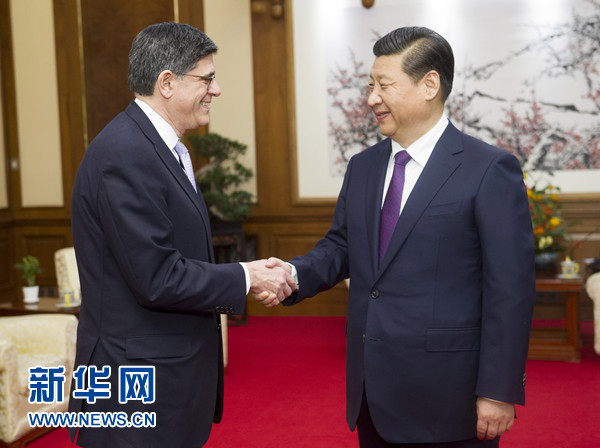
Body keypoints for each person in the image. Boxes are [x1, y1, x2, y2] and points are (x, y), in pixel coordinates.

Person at [265, 27, 536, 447]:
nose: (372, 98)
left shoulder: (488, 169)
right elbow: (341, 247)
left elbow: (510, 289)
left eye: (384, 85)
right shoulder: (363, 167)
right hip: (372, 393)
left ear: (429, 85)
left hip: (450, 397)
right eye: (370, 86)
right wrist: (292, 274)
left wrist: (499, 390)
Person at [69, 22, 294, 447]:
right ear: (167, 83)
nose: (216, 90)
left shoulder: (158, 147)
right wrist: (247, 276)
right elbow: (158, 278)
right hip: (134, 386)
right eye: (207, 79)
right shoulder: (124, 154)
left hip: (164, 374)